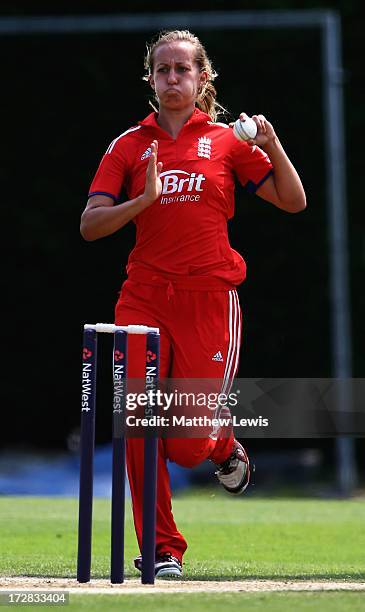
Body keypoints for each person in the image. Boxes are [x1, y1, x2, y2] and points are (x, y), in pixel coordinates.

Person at [80, 29, 306, 579]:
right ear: (151, 79)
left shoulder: (228, 142)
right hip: (144, 297)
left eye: (184, 69)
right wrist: (141, 201)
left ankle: (222, 441)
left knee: (183, 445)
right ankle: (161, 549)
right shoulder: (129, 145)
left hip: (209, 300)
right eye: (163, 70)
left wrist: (272, 145)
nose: (173, 78)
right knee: (137, 421)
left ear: (204, 78)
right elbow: (90, 226)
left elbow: (293, 201)